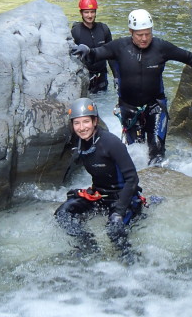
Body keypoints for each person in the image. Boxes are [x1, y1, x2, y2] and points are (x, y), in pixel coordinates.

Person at [71, 9, 192, 165]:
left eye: (148, 33)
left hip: (155, 106)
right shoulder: (120, 47)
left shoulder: (161, 47)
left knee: (157, 150)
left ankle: (158, 184)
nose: (144, 38)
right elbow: (97, 52)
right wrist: (86, 49)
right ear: (131, 32)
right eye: (140, 35)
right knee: (135, 152)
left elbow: (188, 57)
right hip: (129, 109)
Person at [54, 97, 144, 263]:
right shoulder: (80, 142)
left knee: (113, 230)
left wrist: (119, 211)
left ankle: (131, 261)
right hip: (99, 195)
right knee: (63, 214)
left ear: (95, 121)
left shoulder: (111, 142)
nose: (82, 128)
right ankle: (90, 247)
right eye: (77, 123)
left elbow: (132, 179)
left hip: (123, 196)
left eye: (86, 122)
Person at [71, 0, 118, 93]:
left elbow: (111, 55)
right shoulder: (76, 32)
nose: (89, 15)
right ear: (81, 13)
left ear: (96, 12)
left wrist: (116, 77)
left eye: (92, 12)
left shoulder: (103, 29)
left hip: (102, 76)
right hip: (85, 77)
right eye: (86, 12)